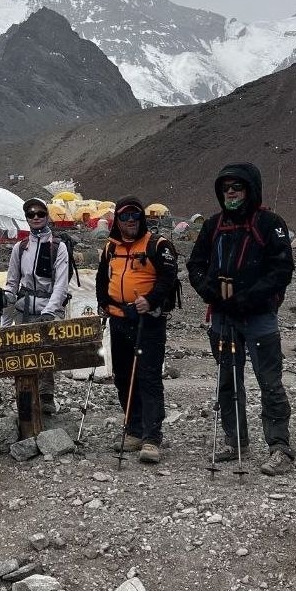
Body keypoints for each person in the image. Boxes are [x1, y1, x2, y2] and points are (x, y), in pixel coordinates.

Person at [187, 162, 295, 476]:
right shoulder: (214, 225)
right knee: (228, 380)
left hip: (259, 316)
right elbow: (195, 264)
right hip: (223, 316)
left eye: (237, 187)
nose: (231, 193)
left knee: (269, 382)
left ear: (251, 189)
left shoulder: (269, 223)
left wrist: (247, 297)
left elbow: (282, 270)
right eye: (226, 188)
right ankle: (235, 440)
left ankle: (280, 447)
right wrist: (210, 291)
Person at [96, 196, 178, 464]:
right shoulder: (110, 247)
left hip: (148, 321)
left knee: (148, 377)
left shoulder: (158, 245)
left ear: (141, 217)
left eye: (135, 215)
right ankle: (134, 428)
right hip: (119, 320)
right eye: (124, 216)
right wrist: (103, 303)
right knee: (123, 376)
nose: (130, 220)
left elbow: (168, 279)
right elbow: (101, 277)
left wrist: (151, 300)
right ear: (117, 220)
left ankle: (152, 437)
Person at [0, 198, 69, 414]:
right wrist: (6, 297)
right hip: (25, 308)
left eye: (40, 213)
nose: (36, 217)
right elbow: (12, 281)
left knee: (45, 353)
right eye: (31, 214)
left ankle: (46, 396)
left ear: (47, 216)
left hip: (48, 307)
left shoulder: (59, 247)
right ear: (27, 218)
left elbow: (61, 284)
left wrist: (50, 311)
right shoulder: (20, 248)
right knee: (23, 353)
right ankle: (25, 397)